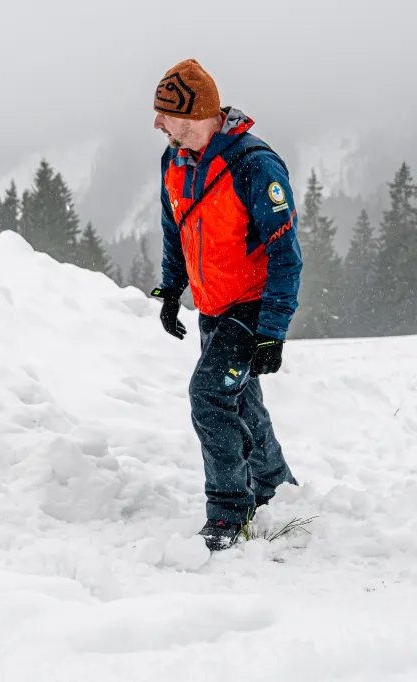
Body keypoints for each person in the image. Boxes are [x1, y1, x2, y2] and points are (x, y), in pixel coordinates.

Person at [149, 58, 304, 552]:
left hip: (252, 307)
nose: (157, 124)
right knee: (241, 399)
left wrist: (273, 330)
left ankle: (228, 513)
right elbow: (176, 227)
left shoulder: (256, 165)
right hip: (213, 306)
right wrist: (173, 289)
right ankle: (276, 488)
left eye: (165, 115)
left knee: (210, 396)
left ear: (194, 117)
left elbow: (285, 254)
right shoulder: (173, 161)